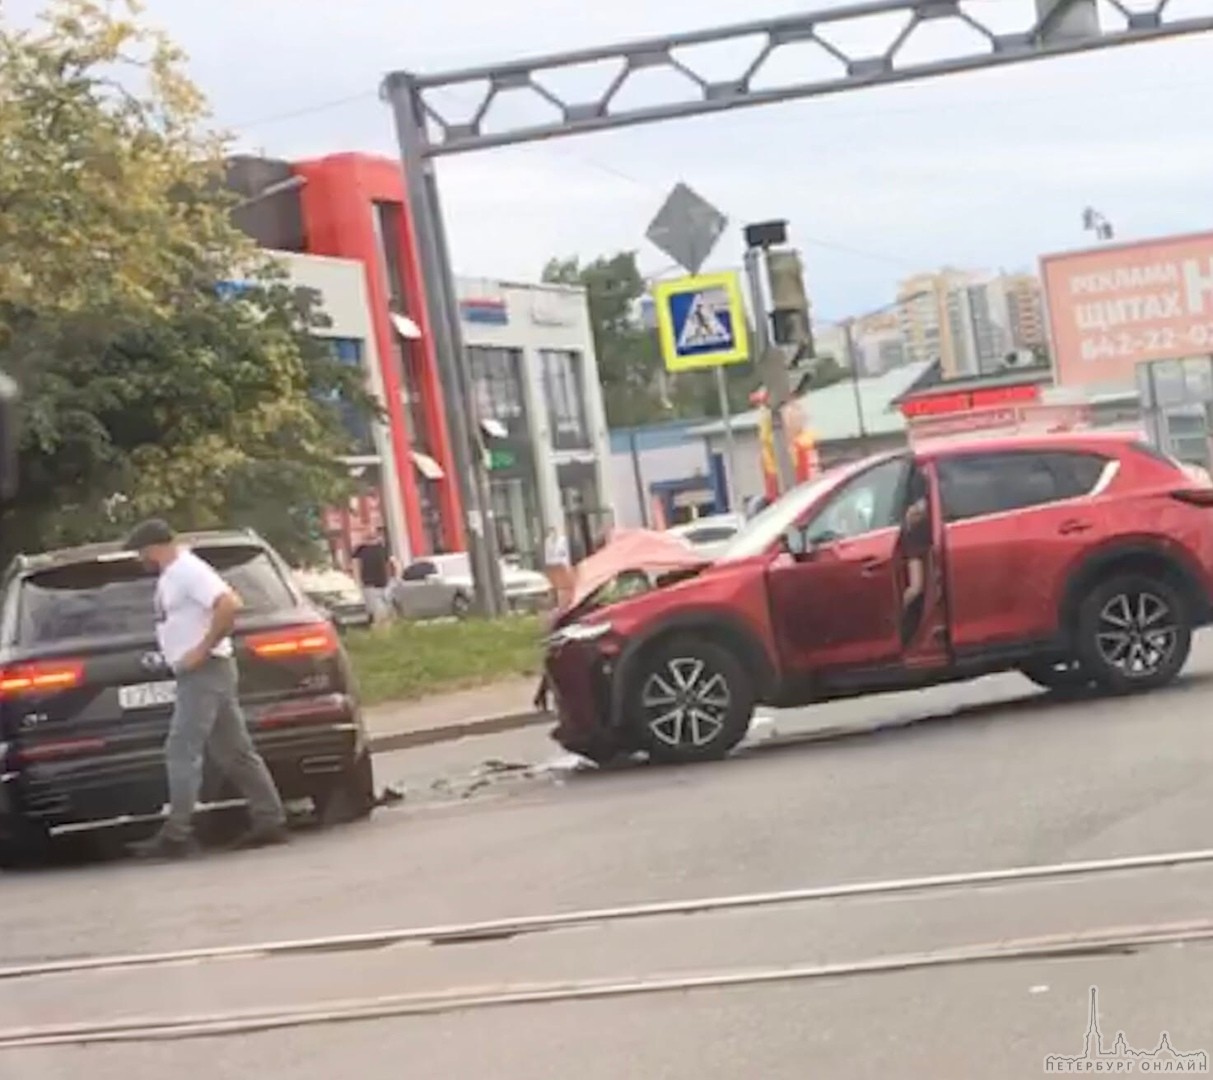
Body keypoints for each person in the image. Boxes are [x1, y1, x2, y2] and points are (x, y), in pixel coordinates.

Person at [125, 519, 288, 859]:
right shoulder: (176, 573)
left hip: (204, 671)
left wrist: (202, 648)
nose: (140, 559)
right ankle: (269, 818)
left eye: (141, 552)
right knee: (234, 750)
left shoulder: (187, 570)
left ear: (154, 547)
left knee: (181, 749)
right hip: (205, 670)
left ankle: (176, 833)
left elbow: (228, 603)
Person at [899, 469, 931, 646]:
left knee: (916, 588)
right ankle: (895, 616)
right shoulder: (914, 477)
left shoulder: (910, 475)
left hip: (916, 542)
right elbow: (918, 509)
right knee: (916, 587)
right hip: (915, 542)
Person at [352, 527, 397, 625]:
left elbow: (393, 563)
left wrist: (394, 579)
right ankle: (381, 630)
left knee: (383, 611)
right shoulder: (361, 549)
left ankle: (382, 630)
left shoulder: (382, 548)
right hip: (371, 585)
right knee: (378, 611)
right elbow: (356, 566)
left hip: (380, 584)